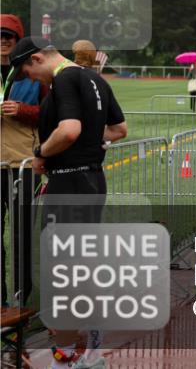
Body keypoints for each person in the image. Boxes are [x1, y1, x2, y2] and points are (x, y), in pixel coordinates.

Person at [10, 36, 127, 369]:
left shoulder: (64, 79)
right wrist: (90, 139)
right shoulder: (94, 78)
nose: (30, 80)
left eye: (27, 72)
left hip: (69, 183)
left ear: (36, 60)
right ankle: (90, 351)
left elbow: (69, 130)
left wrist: (40, 153)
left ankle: (68, 356)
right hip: (91, 180)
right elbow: (119, 129)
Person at [0, 15, 47, 306]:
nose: (3, 41)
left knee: (22, 237)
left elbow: (51, 115)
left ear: (18, 42)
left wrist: (21, 111)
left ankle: (21, 299)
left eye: (9, 37)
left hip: (24, 168)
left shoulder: (32, 75)